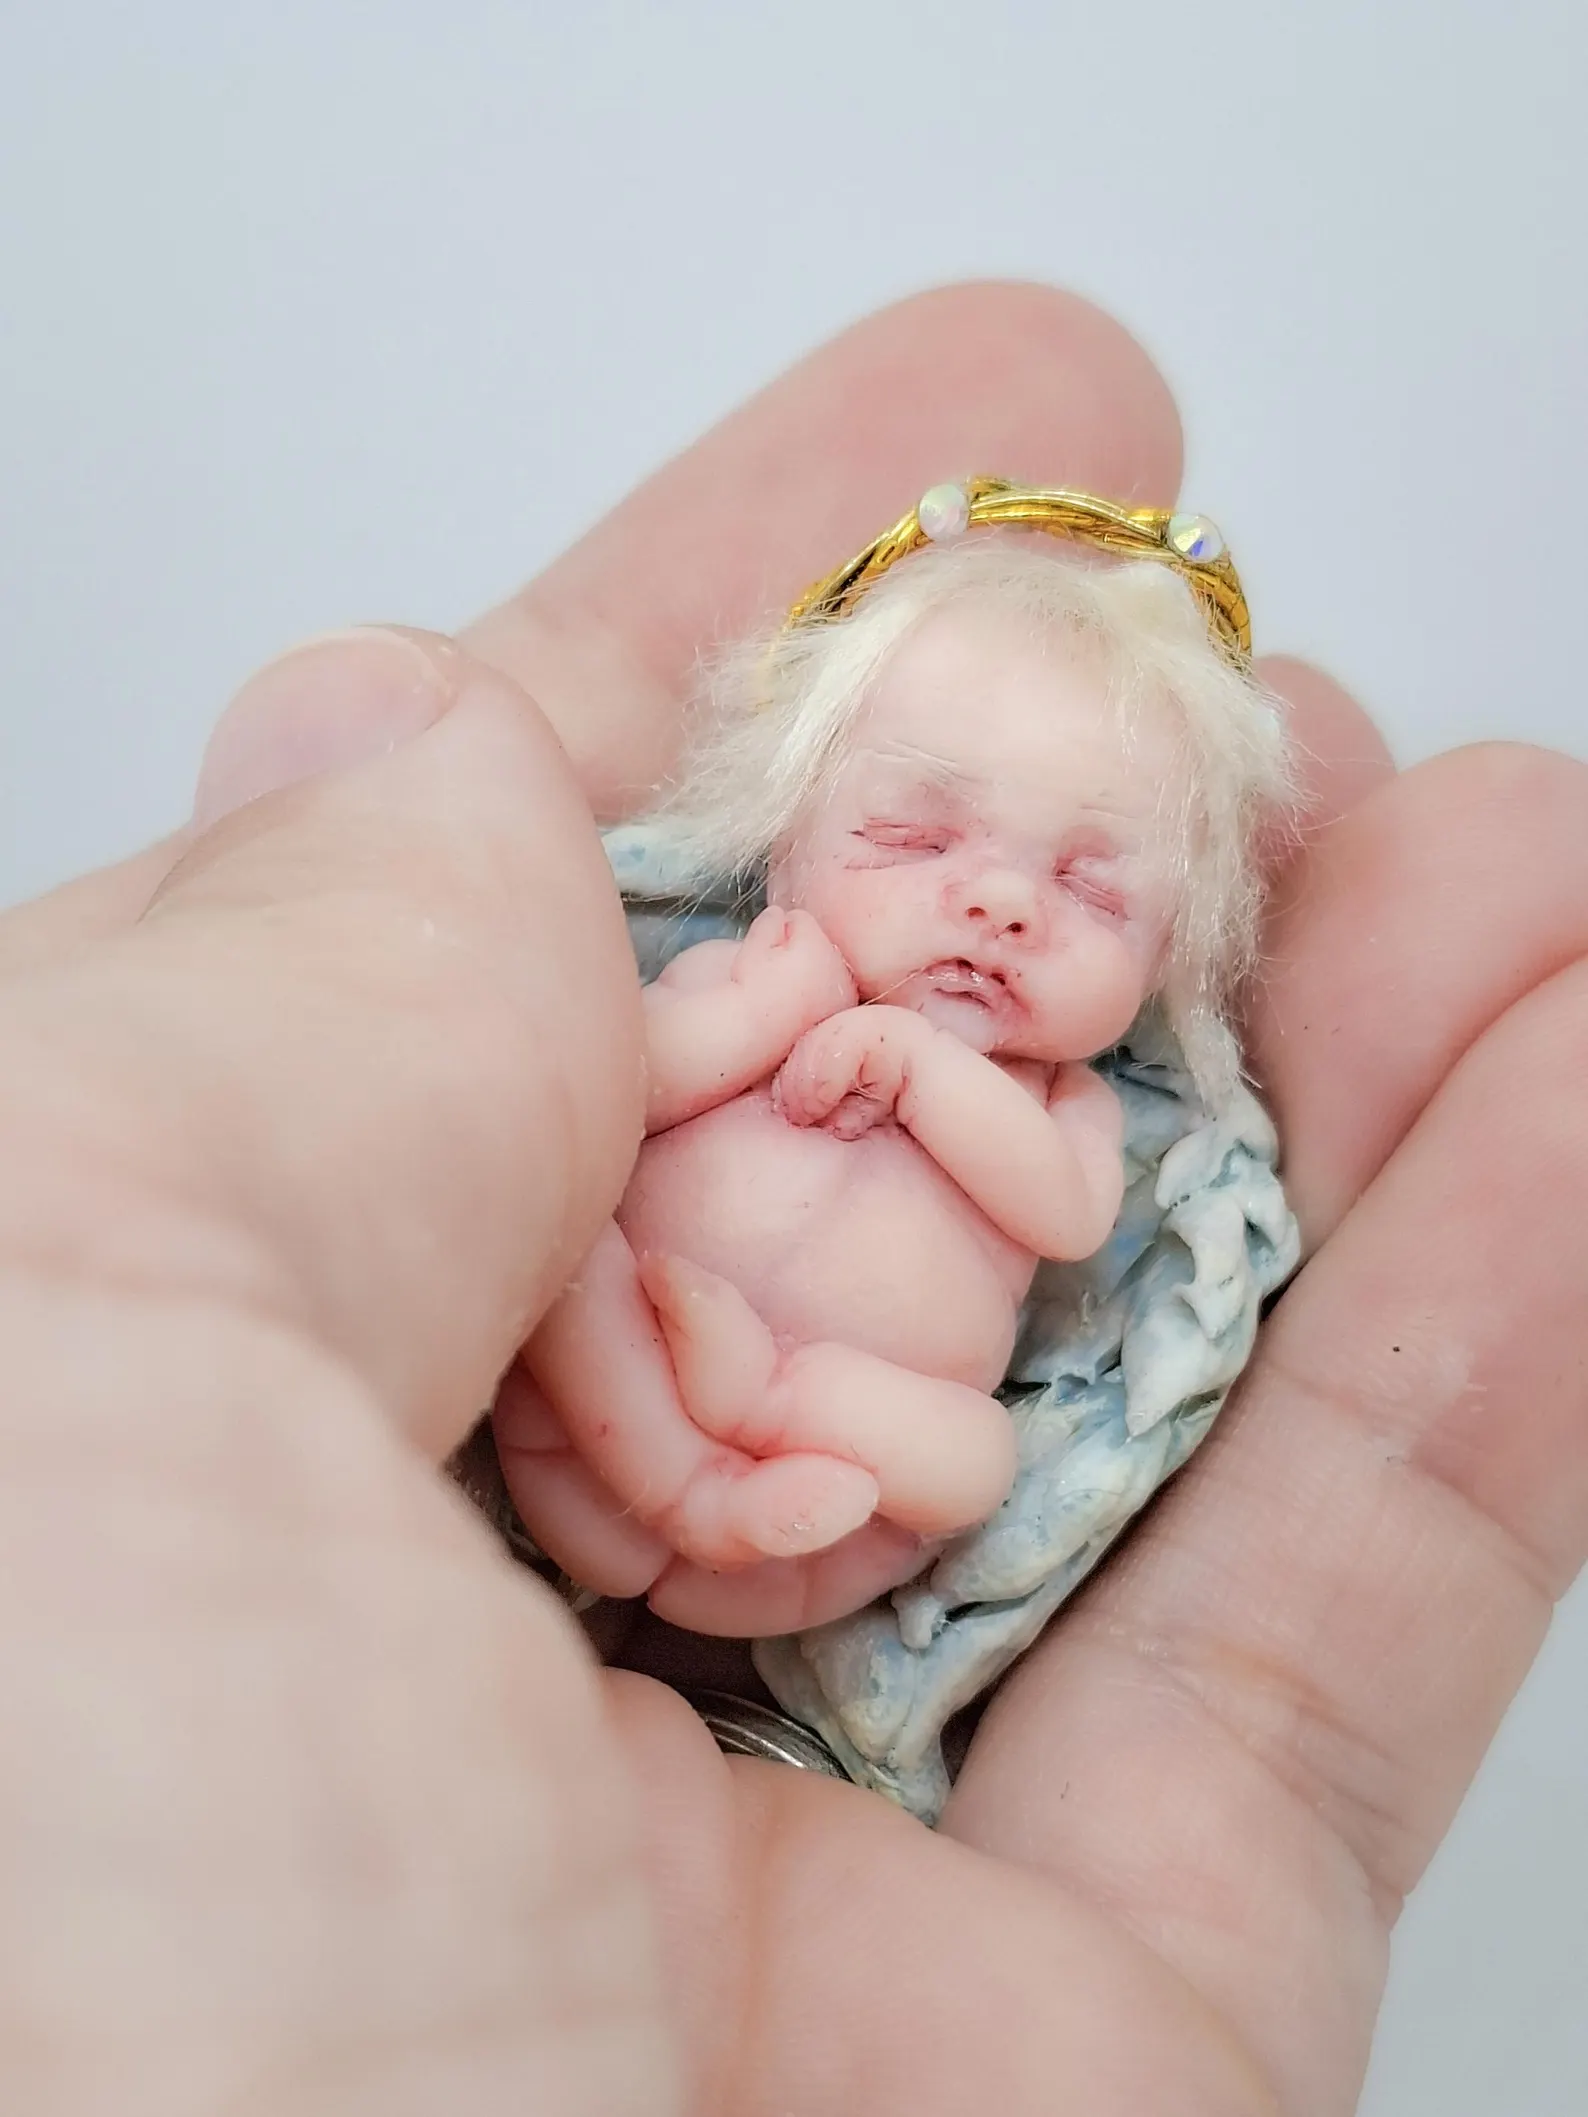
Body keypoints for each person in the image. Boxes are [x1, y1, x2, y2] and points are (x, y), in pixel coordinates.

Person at [2, 280, 1582, 2115]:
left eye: (1089, 892)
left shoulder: (1080, 1121)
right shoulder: (745, 968)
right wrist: (745, 1020)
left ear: (1173, 957)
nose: (994, 909)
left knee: (977, 1462)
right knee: (572, 1253)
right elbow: (616, 1094)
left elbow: (1068, 1229)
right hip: (598, 1425)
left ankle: (732, 1440)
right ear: (791, 814)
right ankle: (681, 1433)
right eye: (919, 841)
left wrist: (925, 1083)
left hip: (834, 1506)